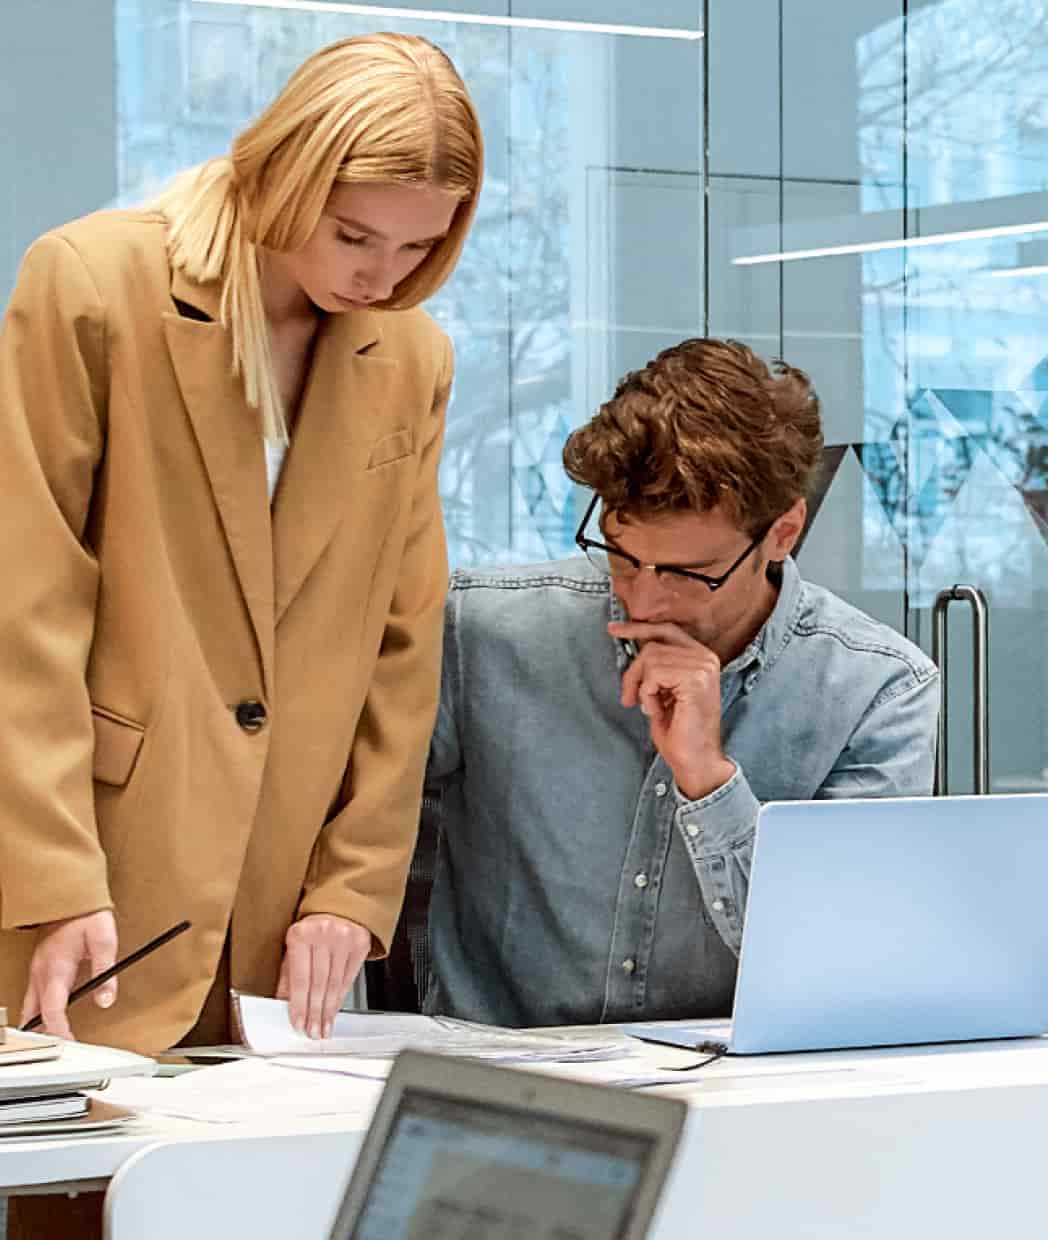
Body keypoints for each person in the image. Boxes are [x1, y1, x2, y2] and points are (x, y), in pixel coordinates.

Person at [0, 32, 484, 1059]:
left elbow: (403, 648)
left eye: (418, 250)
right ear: (286, 169)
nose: (385, 275)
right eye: (356, 236)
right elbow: (24, 606)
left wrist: (353, 887)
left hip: (280, 925)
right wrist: (49, 876)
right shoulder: (93, 285)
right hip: (88, 878)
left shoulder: (410, 355)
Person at [416, 337, 940, 1028]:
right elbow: (347, 830)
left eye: (690, 573)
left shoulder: (879, 689)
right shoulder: (482, 631)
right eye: (622, 557)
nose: (644, 600)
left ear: (783, 531)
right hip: (496, 1088)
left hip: (740, 1100)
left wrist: (709, 780)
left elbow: (840, 960)